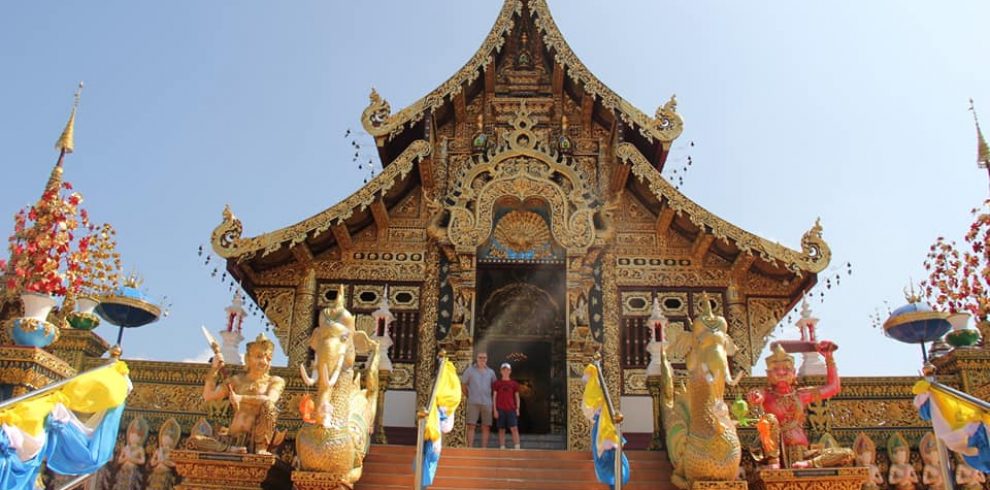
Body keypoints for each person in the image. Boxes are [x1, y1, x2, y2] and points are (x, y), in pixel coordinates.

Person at [201, 332, 286, 454]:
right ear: (248, 358)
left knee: (269, 407)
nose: (264, 361)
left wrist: (241, 398)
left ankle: (260, 447)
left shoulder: (275, 381)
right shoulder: (237, 380)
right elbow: (208, 396)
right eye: (259, 356)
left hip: (254, 440)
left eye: (268, 358)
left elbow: (270, 399)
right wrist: (214, 369)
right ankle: (229, 448)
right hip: (232, 437)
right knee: (197, 440)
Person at [461, 351, 496, 448]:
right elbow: (463, 385)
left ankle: (484, 448)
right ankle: (470, 447)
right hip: (473, 401)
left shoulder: (491, 372)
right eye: (480, 357)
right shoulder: (470, 370)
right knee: (471, 425)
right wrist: (469, 395)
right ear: (476, 358)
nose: (482, 359)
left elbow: (494, 387)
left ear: (487, 359)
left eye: (484, 358)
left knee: (486, 426)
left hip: (487, 402)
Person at [493, 362, 521, 450]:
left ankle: (517, 446)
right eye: (504, 369)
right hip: (500, 409)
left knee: (514, 428)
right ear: (501, 371)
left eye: (507, 370)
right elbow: (494, 397)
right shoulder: (497, 383)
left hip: (511, 409)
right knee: (501, 429)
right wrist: (495, 410)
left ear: (510, 371)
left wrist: (517, 408)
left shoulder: (514, 384)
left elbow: (517, 397)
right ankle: (502, 446)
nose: (505, 371)